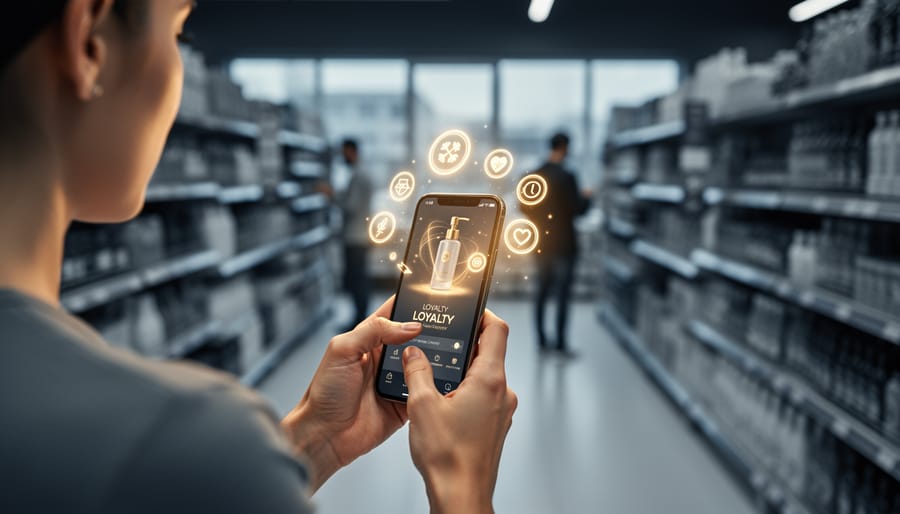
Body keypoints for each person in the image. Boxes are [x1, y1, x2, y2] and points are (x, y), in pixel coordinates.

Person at [0, 2, 517, 513]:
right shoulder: (179, 441)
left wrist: (315, 436)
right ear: (89, 40)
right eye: (178, 33)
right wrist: (461, 484)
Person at [521, 132, 592, 356]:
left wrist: (539, 220)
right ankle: (560, 344)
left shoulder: (536, 174)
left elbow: (524, 206)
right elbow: (578, 209)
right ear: (564, 147)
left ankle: (541, 342)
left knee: (541, 292)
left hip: (541, 241)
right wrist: (587, 197)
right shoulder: (567, 176)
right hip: (564, 243)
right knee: (562, 294)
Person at [336, 138, 374, 331]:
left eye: (344, 152)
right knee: (357, 279)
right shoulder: (359, 174)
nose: (342, 156)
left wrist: (333, 196)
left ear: (351, 151)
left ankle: (359, 322)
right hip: (359, 236)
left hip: (356, 237)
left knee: (358, 280)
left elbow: (352, 206)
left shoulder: (360, 176)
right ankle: (358, 320)